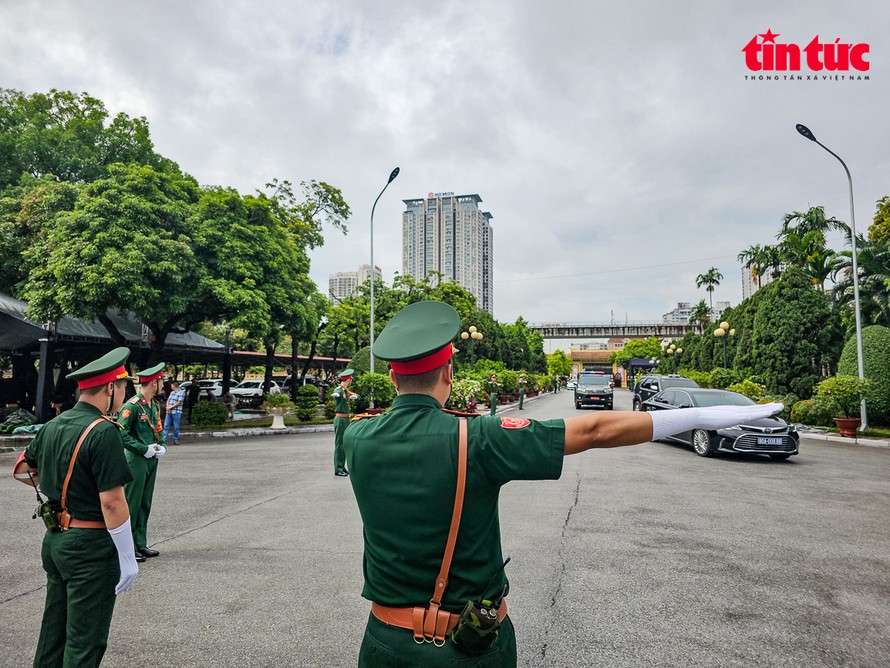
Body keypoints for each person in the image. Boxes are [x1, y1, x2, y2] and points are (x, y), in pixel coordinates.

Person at [343, 301, 783, 666]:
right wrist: (704, 415)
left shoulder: (358, 438)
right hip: (464, 650)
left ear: (390, 377)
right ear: (448, 374)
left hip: (383, 644)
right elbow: (593, 431)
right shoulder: (476, 438)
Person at [16, 347, 139, 667]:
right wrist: (128, 556)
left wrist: (60, 490)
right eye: (124, 387)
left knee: (53, 632)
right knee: (85, 641)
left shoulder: (52, 426)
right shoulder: (103, 431)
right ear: (110, 387)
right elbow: (112, 501)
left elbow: (21, 470)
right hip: (90, 548)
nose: (126, 393)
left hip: (56, 542)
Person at [118, 363, 167, 563]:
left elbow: (158, 429)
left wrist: (161, 446)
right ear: (154, 383)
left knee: (145, 502)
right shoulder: (132, 406)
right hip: (136, 460)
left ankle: (140, 542)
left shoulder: (154, 405)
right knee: (132, 503)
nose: (164, 384)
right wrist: (143, 449)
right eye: (162, 380)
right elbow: (121, 434)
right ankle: (127, 547)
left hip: (151, 460)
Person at [330, 368, 357, 477]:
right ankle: (338, 468)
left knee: (344, 444)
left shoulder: (345, 390)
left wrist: (355, 396)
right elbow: (336, 393)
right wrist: (336, 396)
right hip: (340, 420)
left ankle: (342, 466)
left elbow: (353, 395)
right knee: (339, 444)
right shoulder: (339, 390)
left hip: (345, 419)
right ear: (348, 380)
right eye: (350, 380)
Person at [162, 380, 185, 444]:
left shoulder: (181, 393)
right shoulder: (172, 393)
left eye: (171, 385)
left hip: (176, 412)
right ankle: (164, 440)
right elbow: (168, 400)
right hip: (169, 412)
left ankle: (175, 439)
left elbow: (179, 402)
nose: (171, 386)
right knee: (166, 426)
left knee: (176, 427)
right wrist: (167, 407)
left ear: (174, 386)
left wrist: (170, 407)